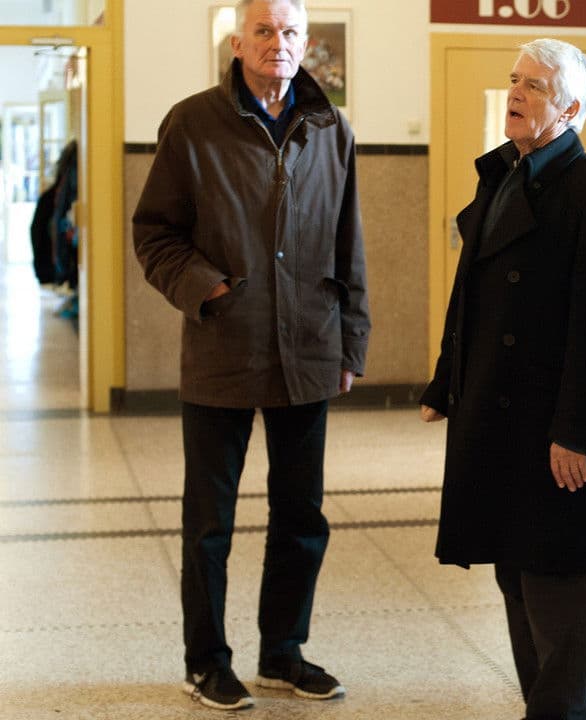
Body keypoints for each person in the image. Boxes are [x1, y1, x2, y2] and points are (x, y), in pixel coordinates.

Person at [132, 0, 369, 710]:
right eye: (264, 30)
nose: (278, 43)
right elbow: (154, 234)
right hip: (223, 348)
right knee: (210, 524)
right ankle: (206, 662)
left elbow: (348, 244)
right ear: (238, 42)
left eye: (291, 31)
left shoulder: (331, 128)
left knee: (302, 517)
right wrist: (209, 290)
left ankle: (282, 653)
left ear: (306, 41)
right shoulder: (191, 123)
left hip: (309, 348)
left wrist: (351, 341)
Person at [418, 38, 586, 720]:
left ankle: (564, 710)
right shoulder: (503, 174)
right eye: (515, 80)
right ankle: (545, 706)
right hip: (493, 404)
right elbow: (470, 294)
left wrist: (575, 430)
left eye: (536, 86)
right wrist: (444, 381)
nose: (516, 93)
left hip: (549, 417)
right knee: (513, 566)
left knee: (553, 571)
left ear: (570, 109)